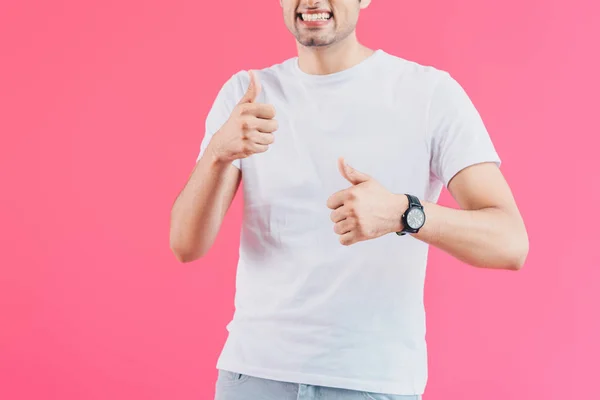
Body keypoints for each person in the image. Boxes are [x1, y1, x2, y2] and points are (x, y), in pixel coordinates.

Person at [169, 0, 529, 398]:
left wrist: (403, 213)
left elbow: (510, 243)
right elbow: (186, 245)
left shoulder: (428, 93)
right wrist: (217, 152)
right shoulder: (247, 95)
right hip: (254, 376)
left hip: (371, 383)